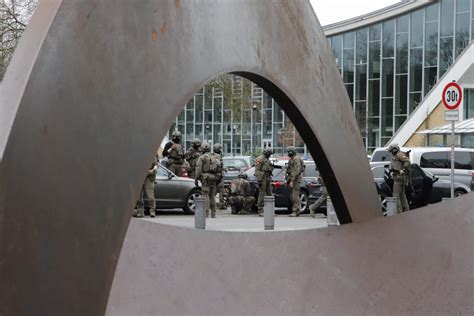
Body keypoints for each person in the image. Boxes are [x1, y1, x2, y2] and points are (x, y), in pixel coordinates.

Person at [195, 143, 219, 218]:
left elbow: (198, 169)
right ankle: (213, 214)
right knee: (212, 195)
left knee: (205, 195)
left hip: (205, 178)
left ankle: (206, 213)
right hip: (214, 177)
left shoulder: (202, 157)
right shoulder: (215, 157)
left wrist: (196, 178)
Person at [388, 143, 410, 213]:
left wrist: (404, 170)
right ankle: (405, 210)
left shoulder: (399, 155)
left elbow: (407, 161)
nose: (391, 152)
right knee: (402, 195)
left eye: (392, 151)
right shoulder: (395, 156)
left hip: (399, 178)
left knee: (396, 195)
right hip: (398, 177)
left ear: (395, 150)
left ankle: (398, 211)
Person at [286, 146, 304, 217]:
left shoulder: (296, 159)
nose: (288, 153)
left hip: (295, 179)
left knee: (295, 195)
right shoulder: (292, 159)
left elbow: (296, 170)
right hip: (293, 178)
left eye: (288, 152)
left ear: (291, 152)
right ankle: (296, 210)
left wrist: (292, 180)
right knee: (293, 196)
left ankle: (295, 211)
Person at [255, 147, 274, 217]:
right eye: (269, 154)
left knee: (269, 194)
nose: (270, 155)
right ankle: (260, 209)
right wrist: (259, 179)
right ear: (267, 153)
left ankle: (270, 210)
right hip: (262, 178)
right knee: (262, 194)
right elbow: (257, 170)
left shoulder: (267, 159)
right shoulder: (260, 159)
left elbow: (269, 167)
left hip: (268, 178)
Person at [212, 143, 226, 210]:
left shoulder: (213, 155)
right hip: (218, 175)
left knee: (216, 190)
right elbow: (219, 166)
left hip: (216, 175)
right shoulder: (217, 156)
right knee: (220, 190)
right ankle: (220, 204)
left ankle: (213, 204)